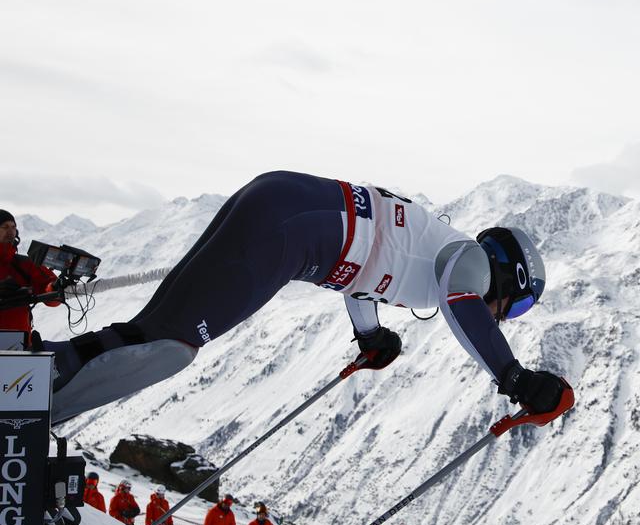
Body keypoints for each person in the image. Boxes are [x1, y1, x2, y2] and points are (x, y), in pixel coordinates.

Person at [44, 171, 573, 424]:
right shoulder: (472, 263)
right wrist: (513, 376)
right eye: (518, 305)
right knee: (170, 348)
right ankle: (29, 412)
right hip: (291, 236)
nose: (506, 315)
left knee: (154, 330)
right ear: (510, 277)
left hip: (280, 205)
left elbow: (361, 273)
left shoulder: (435, 246)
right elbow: (464, 310)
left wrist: (369, 335)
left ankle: (30, 378)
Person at [0, 209, 61, 347]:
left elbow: (51, 295)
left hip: (18, 344)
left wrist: (55, 287)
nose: (10, 232)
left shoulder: (25, 264)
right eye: (4, 227)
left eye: (13, 227)